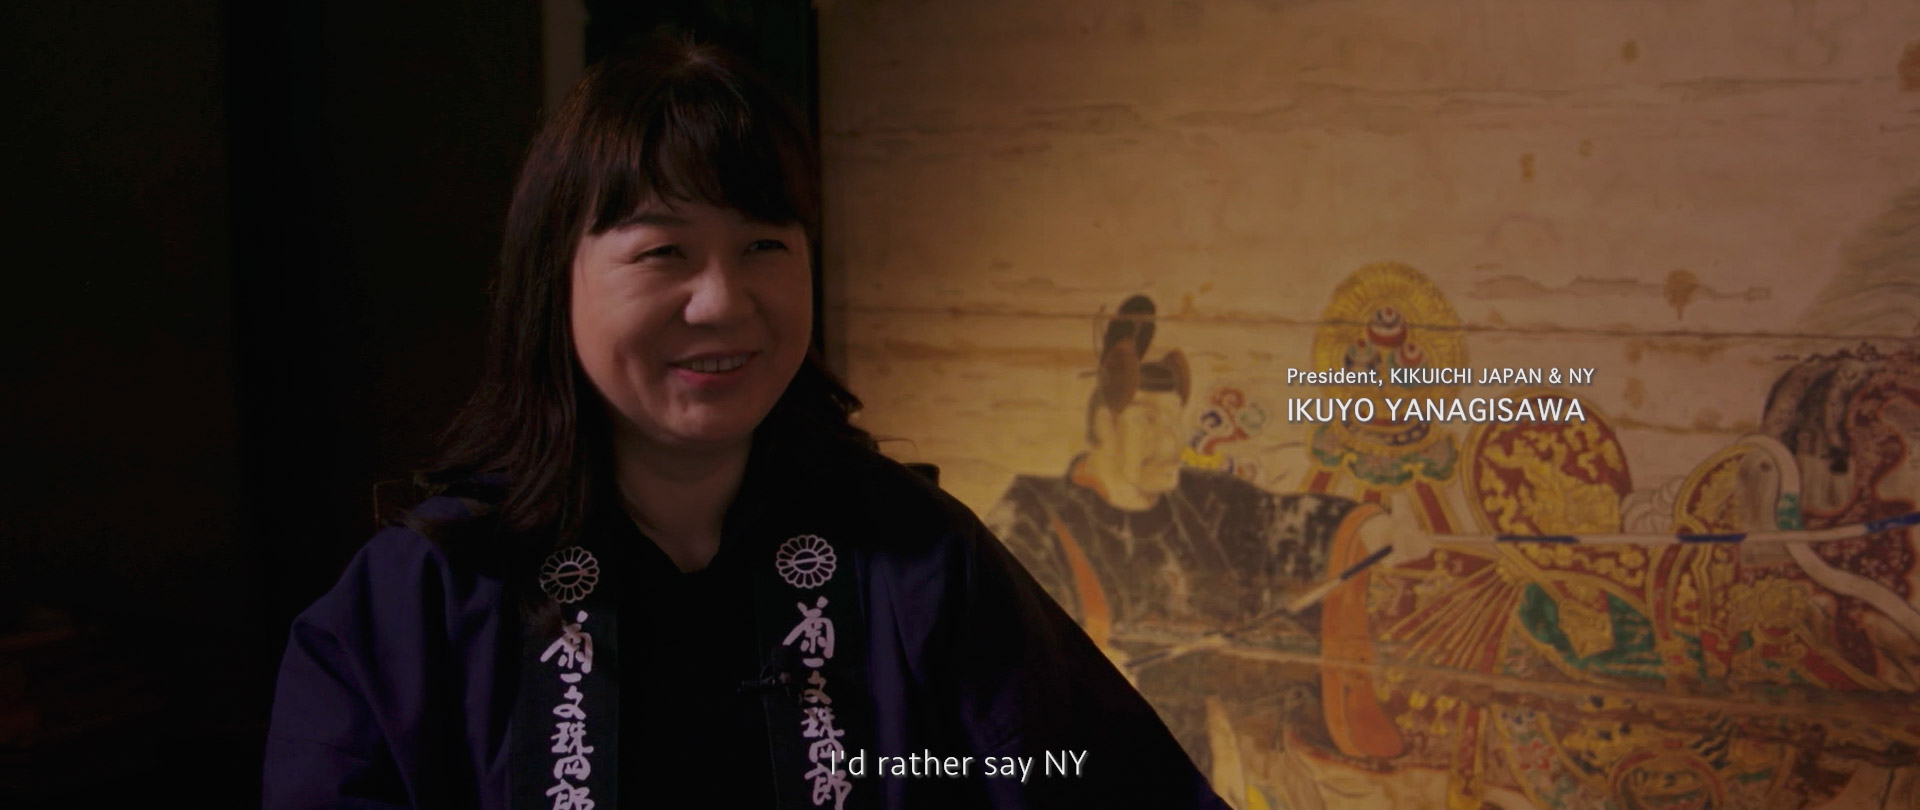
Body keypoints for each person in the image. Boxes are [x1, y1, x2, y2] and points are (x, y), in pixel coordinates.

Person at [261, 35, 1240, 810]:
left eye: (764, 244)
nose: (723, 302)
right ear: (552, 280)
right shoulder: (423, 598)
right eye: (664, 252)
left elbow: (1092, 780)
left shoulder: (915, 561)